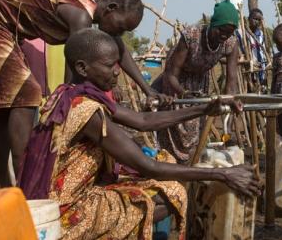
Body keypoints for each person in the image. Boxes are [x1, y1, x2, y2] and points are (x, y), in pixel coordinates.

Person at [18, 29, 259, 240]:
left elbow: (142, 121)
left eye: (117, 64)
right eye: (109, 65)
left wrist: (204, 109)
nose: (116, 72)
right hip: (65, 211)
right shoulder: (86, 111)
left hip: (53, 197)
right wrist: (223, 174)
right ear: (82, 67)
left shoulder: (72, 93)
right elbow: (147, 166)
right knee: (171, 193)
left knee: (165, 164)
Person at [0, 0, 166, 189]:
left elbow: (118, 48)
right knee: (26, 93)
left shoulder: (95, 2)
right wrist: (68, 109)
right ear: (111, 7)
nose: (119, 34)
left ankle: (1, 186)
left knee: (3, 107)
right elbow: (75, 72)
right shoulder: (81, 15)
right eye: (120, 27)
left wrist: (147, 89)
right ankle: (26, 182)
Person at [151, 0, 240, 164]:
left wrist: (230, 99)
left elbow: (232, 78)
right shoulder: (191, 36)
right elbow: (170, 73)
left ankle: (190, 169)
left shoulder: (231, 43)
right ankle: (171, 169)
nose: (224, 36)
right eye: (221, 30)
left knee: (194, 130)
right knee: (174, 126)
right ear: (213, 24)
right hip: (175, 83)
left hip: (199, 84)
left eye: (229, 32)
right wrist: (183, 93)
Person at [246, 8, 269, 91]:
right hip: (249, 68)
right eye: (255, 19)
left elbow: (265, 50)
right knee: (250, 91)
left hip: (261, 68)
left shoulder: (261, 34)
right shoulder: (243, 33)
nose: (257, 22)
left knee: (263, 91)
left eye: (259, 20)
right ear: (249, 19)